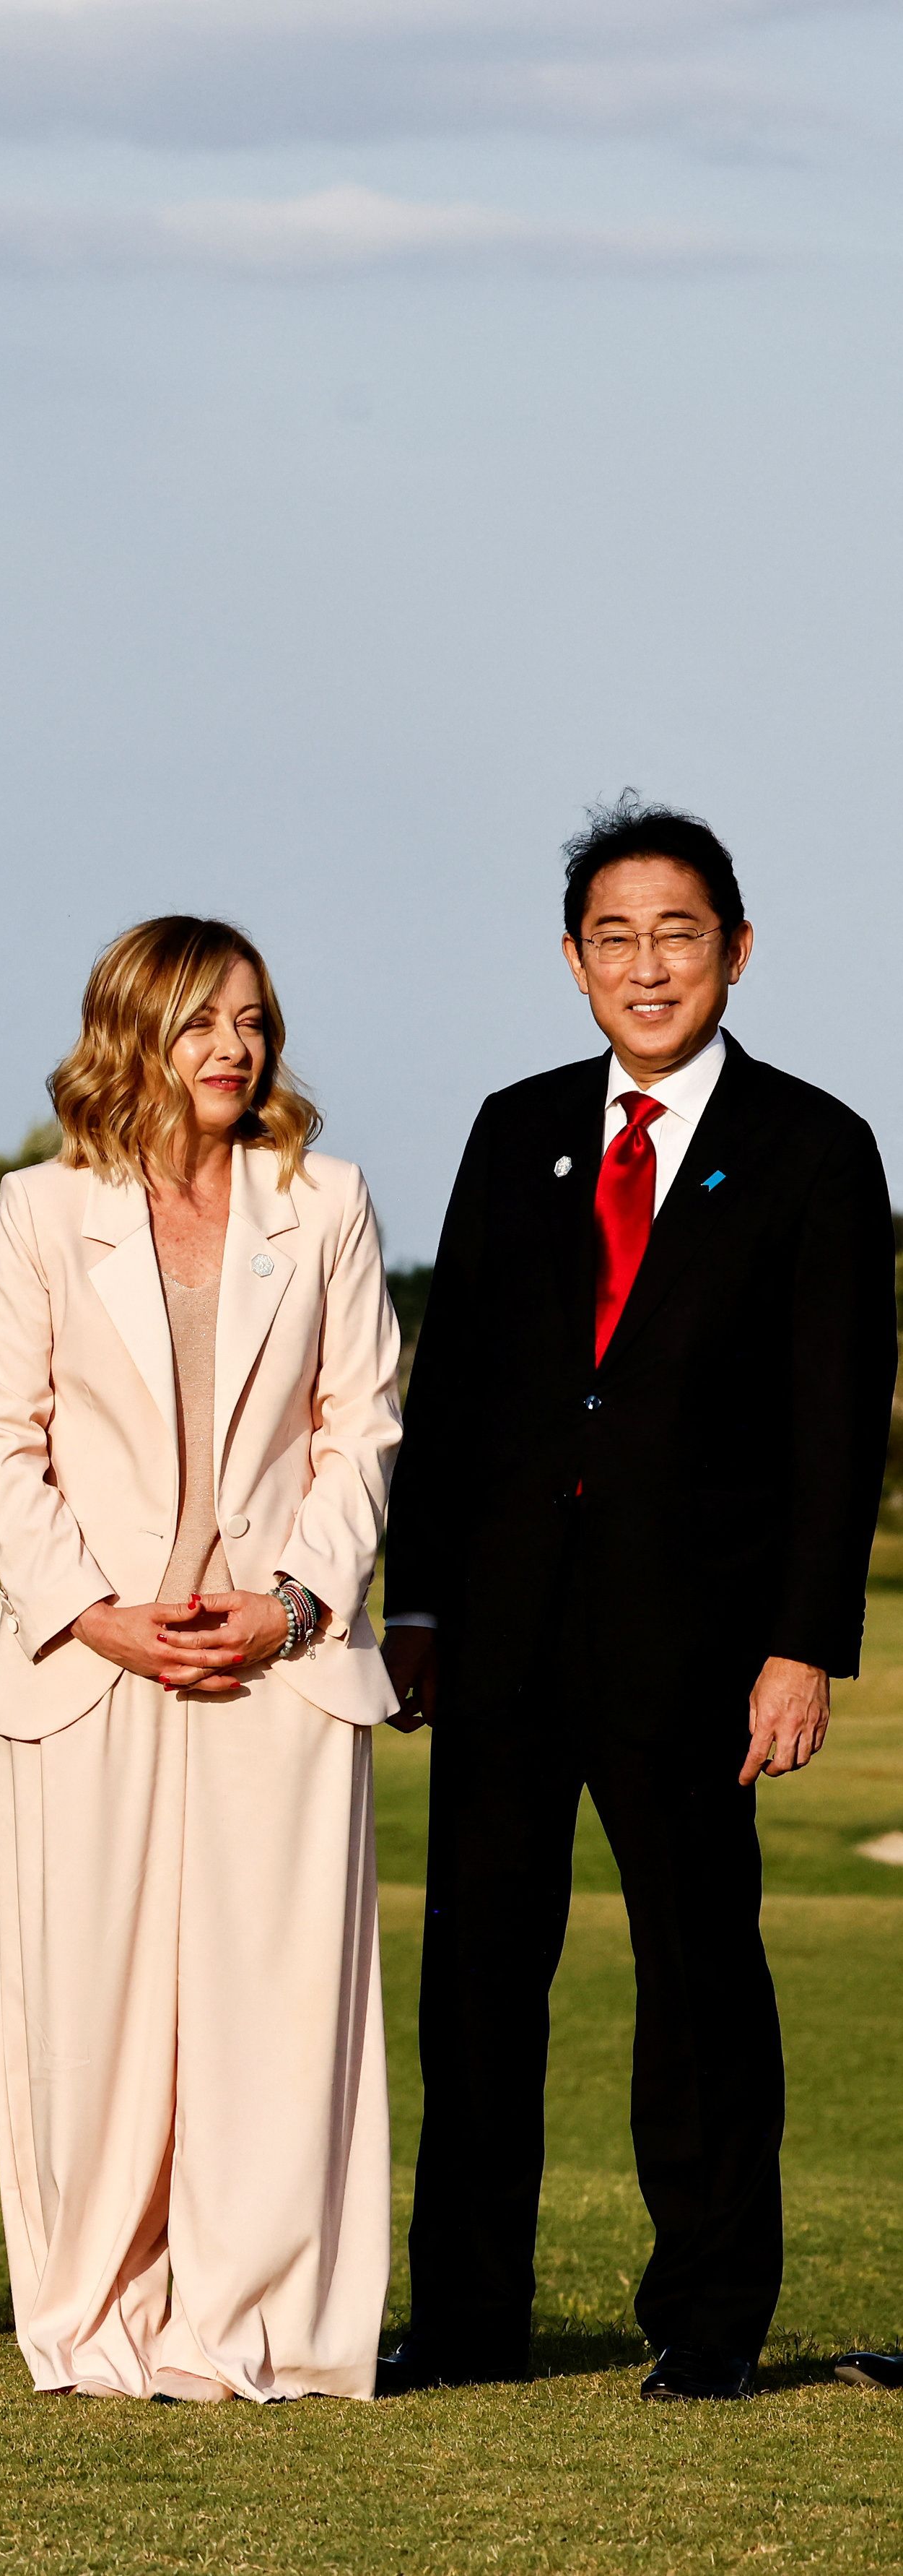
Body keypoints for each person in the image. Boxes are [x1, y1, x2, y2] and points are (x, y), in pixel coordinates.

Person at [380, 800, 894, 2404]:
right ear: (573, 959)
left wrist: (804, 1644)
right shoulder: (512, 1128)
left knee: (701, 1978)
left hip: (700, 1647)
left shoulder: (816, 1148)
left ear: (735, 950)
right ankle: (468, 2320)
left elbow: (837, 1427)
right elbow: (450, 1396)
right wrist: (418, 1607)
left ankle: (712, 2321)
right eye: (616, 936)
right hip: (502, 1636)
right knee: (476, 1984)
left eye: (679, 933)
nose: (648, 964)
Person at [0, 918, 402, 2403]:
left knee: (274, 2012)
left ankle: (255, 2326)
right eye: (202, 1019)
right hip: (89, 1665)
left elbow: (363, 1427)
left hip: (284, 1661)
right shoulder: (41, 1210)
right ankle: (96, 2319)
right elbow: (0, 1439)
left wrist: (294, 1601)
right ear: (131, 1031)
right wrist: (94, 1610)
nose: (234, 1047)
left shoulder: (328, 1201)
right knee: (93, 2013)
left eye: (254, 1020)